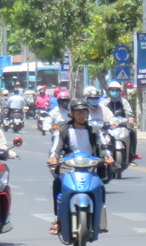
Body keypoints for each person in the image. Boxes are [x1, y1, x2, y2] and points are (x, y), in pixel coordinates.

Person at [46, 98, 113, 235]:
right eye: (78, 112)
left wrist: (107, 156)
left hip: (90, 166)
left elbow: (103, 146)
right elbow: (56, 147)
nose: (81, 115)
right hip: (68, 166)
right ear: (72, 113)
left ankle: (100, 220)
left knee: (100, 188)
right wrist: (53, 157)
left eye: (84, 112)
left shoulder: (94, 130)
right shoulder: (62, 129)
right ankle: (58, 219)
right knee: (57, 185)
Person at [104, 80, 140, 160]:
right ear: (109, 91)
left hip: (121, 125)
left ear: (119, 91)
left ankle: (132, 154)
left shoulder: (124, 101)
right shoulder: (105, 102)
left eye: (116, 90)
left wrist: (130, 118)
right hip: (108, 126)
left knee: (132, 132)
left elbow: (129, 112)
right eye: (112, 90)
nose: (114, 92)